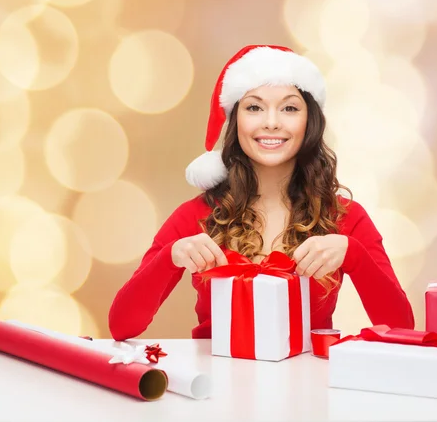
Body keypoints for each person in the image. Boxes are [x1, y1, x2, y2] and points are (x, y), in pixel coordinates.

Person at [108, 45, 414, 341]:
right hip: (216, 387)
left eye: (289, 108)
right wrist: (169, 258)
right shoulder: (195, 215)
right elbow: (121, 326)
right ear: (235, 119)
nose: (271, 122)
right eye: (254, 107)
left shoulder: (346, 217)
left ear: (309, 121)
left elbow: (401, 327)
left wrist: (353, 255)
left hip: (308, 389)